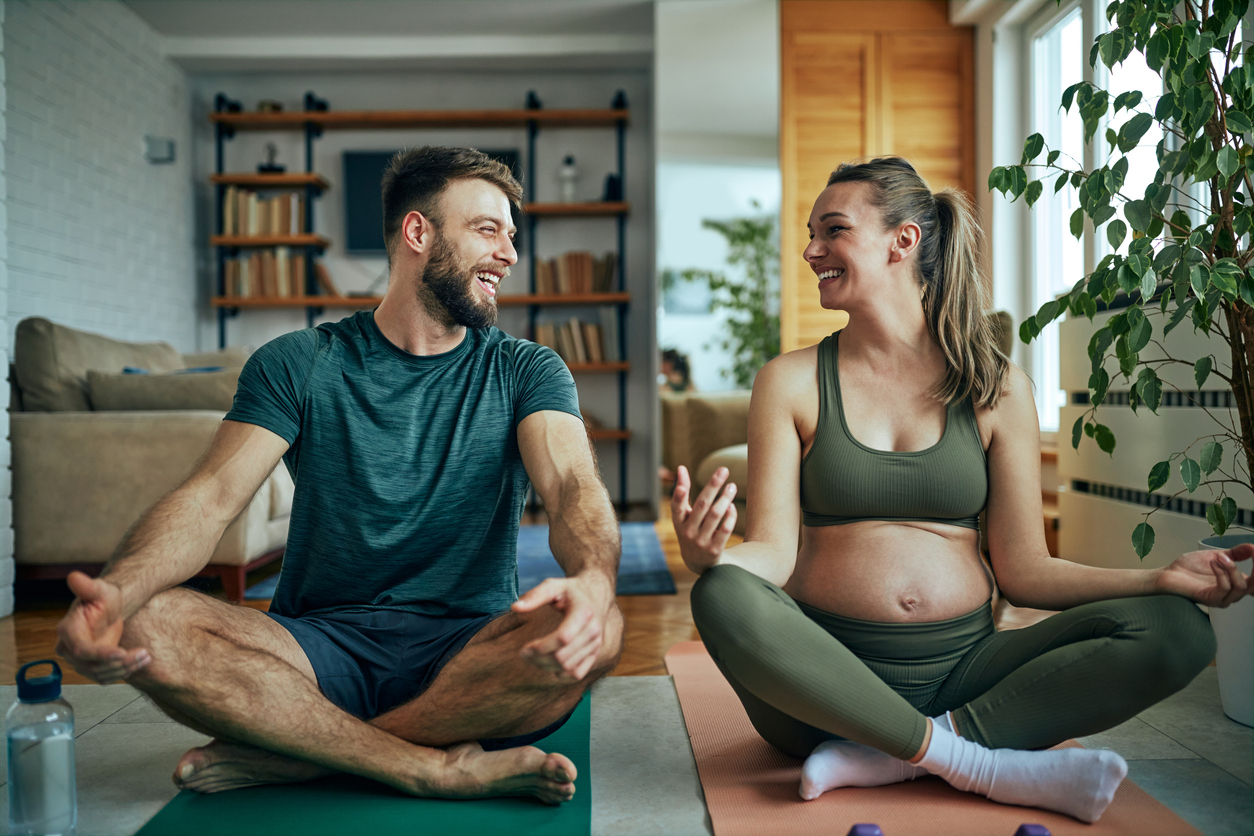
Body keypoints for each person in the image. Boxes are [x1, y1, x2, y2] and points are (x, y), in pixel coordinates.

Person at [672, 156, 1250, 823]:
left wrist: (1158, 578)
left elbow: (1025, 572)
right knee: (720, 593)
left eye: (832, 230)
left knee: (1180, 630)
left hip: (969, 674)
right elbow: (771, 552)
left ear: (904, 240)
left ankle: (900, 751)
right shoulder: (790, 381)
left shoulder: (997, 387)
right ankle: (972, 762)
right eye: (811, 234)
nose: (811, 250)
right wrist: (708, 557)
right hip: (820, 691)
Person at [54, 146, 624, 804]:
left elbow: (572, 488)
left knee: (600, 623)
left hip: (472, 653)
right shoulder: (300, 362)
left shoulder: (528, 370)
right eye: (488, 230)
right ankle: (422, 765)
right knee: (145, 623)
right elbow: (210, 500)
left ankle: (306, 754)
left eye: (511, 236)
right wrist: (115, 594)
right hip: (317, 646)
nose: (510, 255)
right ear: (418, 232)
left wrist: (591, 578)